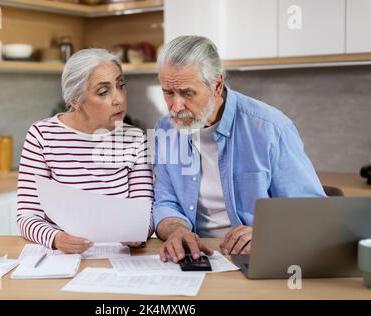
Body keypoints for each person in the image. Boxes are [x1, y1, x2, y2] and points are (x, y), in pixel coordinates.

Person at [152, 35, 325, 263]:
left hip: (257, 258)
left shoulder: (270, 128)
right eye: (168, 92)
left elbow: (314, 213)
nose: (175, 106)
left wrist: (268, 234)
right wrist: (176, 230)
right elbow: (166, 202)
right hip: (194, 258)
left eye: (187, 93)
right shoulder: (166, 129)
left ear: (216, 85)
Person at [17, 48, 153, 253]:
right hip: (63, 256)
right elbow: (27, 215)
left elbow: (145, 210)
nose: (119, 99)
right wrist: (56, 238)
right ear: (75, 100)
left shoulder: (134, 139)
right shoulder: (42, 135)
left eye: (121, 86)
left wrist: (139, 233)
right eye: (104, 91)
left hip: (119, 256)